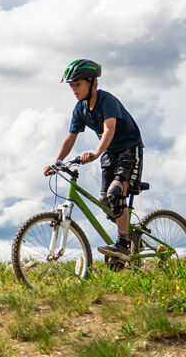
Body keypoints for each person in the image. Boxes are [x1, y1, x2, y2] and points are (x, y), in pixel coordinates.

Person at [44, 59, 144, 261]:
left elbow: (109, 129)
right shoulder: (79, 109)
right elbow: (70, 137)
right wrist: (56, 163)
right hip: (109, 154)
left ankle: (123, 243)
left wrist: (96, 153)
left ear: (93, 83)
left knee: (116, 193)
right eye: (72, 85)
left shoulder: (107, 101)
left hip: (129, 149)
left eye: (78, 84)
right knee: (105, 202)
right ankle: (131, 238)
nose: (74, 89)